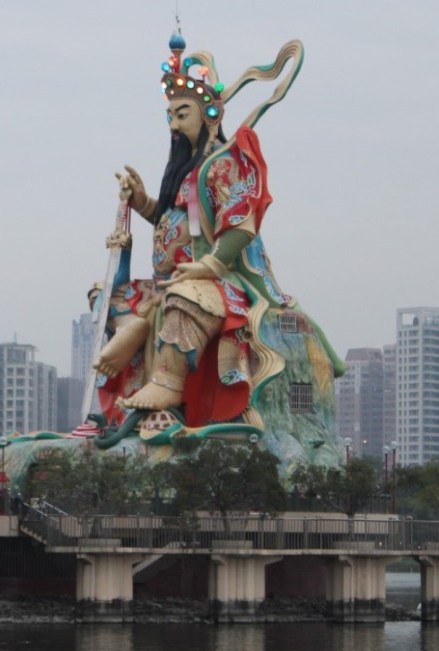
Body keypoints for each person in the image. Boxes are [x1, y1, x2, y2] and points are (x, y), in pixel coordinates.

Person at [93, 32, 341, 431]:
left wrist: (208, 266)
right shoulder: (183, 172)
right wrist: (142, 203)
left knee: (185, 297)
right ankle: (133, 327)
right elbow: (174, 223)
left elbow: (241, 225)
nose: (174, 125)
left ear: (208, 116)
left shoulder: (223, 165)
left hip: (219, 281)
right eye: (170, 117)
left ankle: (168, 383)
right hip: (170, 280)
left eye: (182, 115)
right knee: (104, 294)